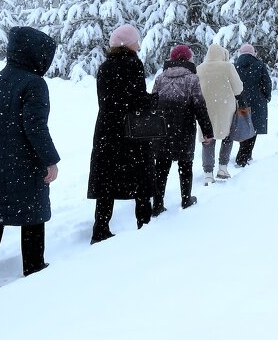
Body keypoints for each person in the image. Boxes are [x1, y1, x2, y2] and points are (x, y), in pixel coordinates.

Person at [0, 26, 60, 290]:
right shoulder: (35, 84)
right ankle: (34, 269)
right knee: (31, 216)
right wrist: (50, 160)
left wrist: (0, 130)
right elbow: (35, 126)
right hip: (24, 161)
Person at [88, 24, 157, 242]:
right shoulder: (132, 63)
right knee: (140, 179)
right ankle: (144, 226)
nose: (139, 43)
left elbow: (110, 99)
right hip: (130, 130)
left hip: (107, 129)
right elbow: (134, 98)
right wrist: (153, 100)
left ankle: (100, 229)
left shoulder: (106, 66)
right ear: (128, 44)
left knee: (106, 181)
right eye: (136, 40)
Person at [151, 44, 213, 213]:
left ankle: (157, 205)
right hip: (184, 128)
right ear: (188, 59)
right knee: (185, 165)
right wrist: (207, 132)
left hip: (162, 129)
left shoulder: (160, 78)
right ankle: (186, 199)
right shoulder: (192, 79)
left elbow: (153, 105)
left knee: (161, 167)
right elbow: (200, 106)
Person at [196, 43, 245, 184]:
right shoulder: (227, 67)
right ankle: (222, 168)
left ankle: (208, 174)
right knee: (227, 137)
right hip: (225, 108)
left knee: (207, 139)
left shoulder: (199, 68)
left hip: (205, 109)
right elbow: (238, 89)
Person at [233, 44, 272, 166]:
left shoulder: (235, 66)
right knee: (253, 128)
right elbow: (267, 82)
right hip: (257, 101)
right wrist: (267, 96)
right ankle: (245, 155)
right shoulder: (259, 65)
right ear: (253, 53)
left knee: (244, 126)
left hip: (240, 101)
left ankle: (243, 153)